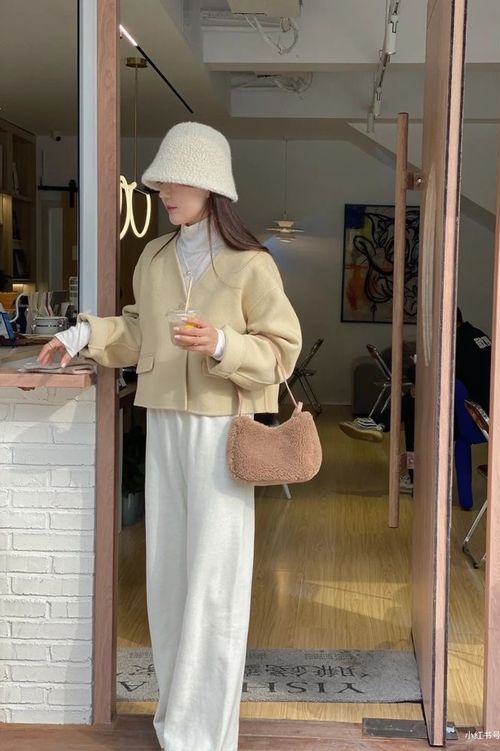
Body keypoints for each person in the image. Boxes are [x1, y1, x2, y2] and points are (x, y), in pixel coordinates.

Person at [38, 122, 302, 751]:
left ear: (209, 184)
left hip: (221, 431)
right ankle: (177, 719)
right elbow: (137, 332)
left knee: (215, 580)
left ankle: (206, 733)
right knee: (167, 576)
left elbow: (281, 351)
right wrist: (79, 336)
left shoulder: (251, 264)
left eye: (175, 181)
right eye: (159, 183)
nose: (163, 192)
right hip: (163, 423)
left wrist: (221, 342)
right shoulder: (155, 258)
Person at [339, 309, 491, 496]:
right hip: (484, 415)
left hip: (470, 420)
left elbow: (420, 371)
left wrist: (418, 379)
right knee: (415, 405)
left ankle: (380, 424)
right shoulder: (478, 336)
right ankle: (381, 428)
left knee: (414, 408)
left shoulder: (456, 343)